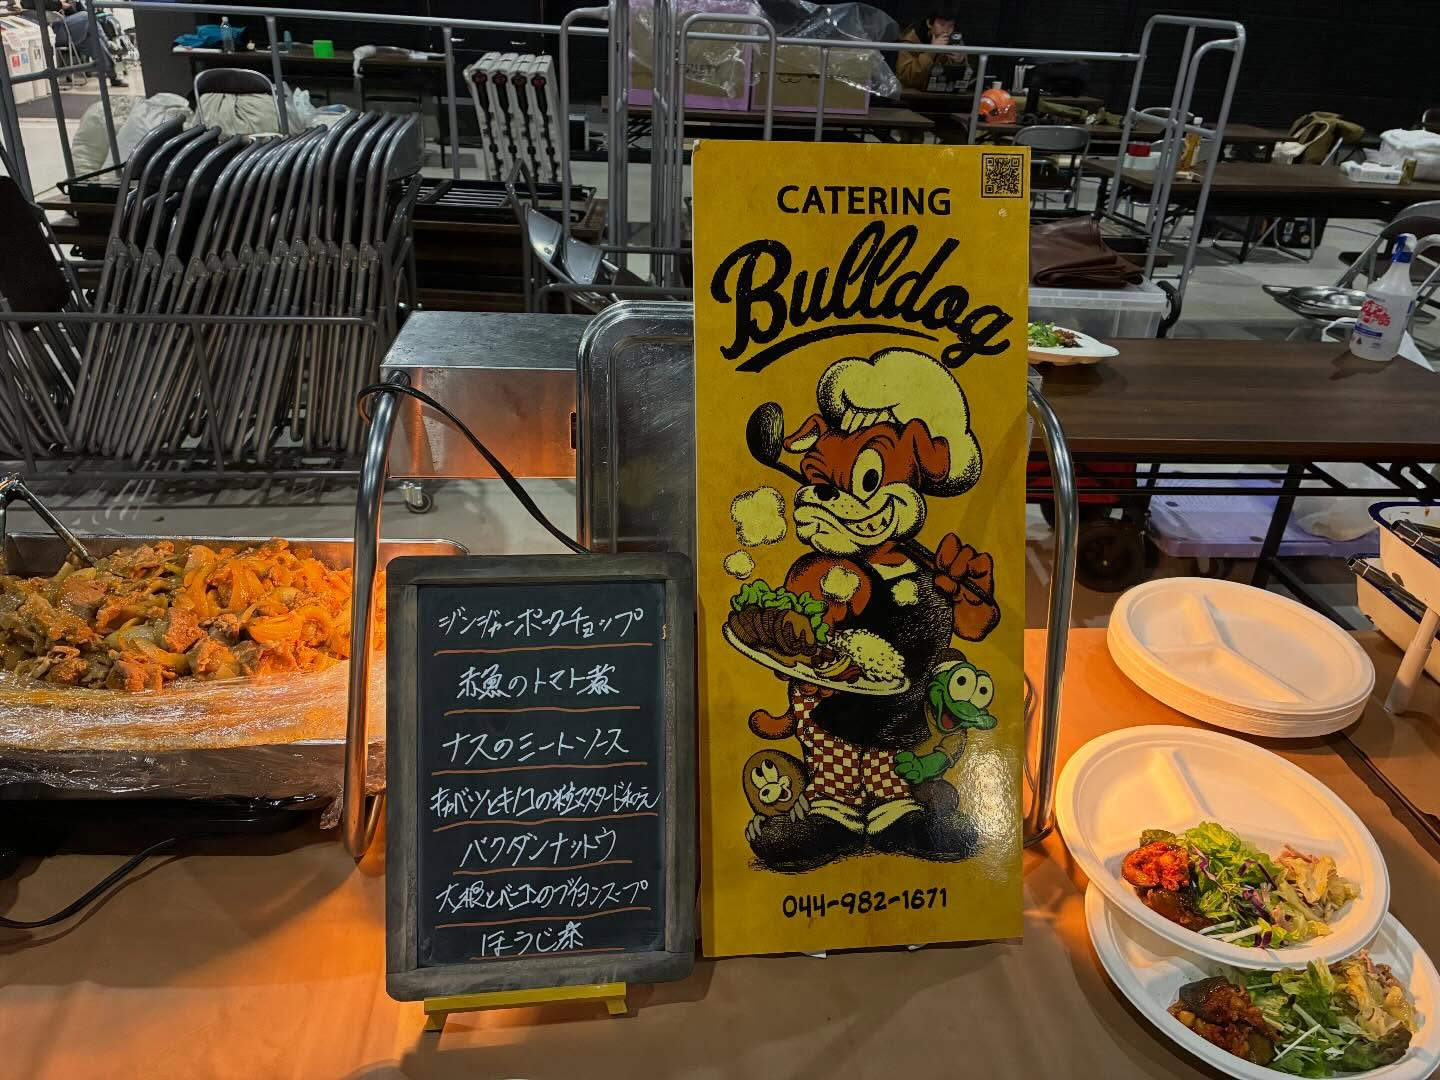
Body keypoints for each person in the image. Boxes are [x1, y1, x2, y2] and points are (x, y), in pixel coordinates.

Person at [21, 0, 128, 88]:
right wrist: (59, 4)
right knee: (87, 16)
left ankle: (113, 77)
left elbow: (76, 11)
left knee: (95, 41)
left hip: (66, 29)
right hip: (52, 31)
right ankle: (108, 43)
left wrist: (69, 5)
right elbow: (27, 3)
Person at [897, 7, 970, 92]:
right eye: (942, 25)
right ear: (929, 23)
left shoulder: (955, 41)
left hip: (942, 93)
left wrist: (959, 63)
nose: (946, 31)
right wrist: (931, 51)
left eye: (951, 26)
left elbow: (965, 79)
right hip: (912, 94)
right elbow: (907, 79)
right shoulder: (910, 40)